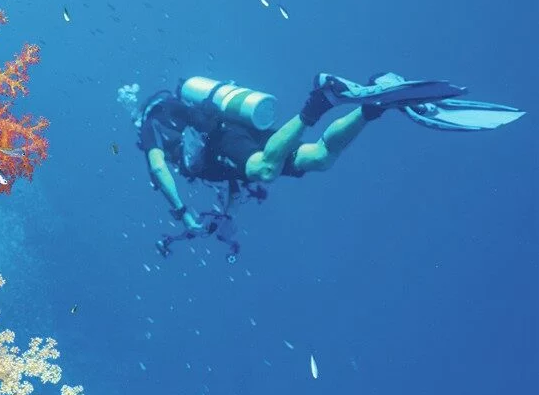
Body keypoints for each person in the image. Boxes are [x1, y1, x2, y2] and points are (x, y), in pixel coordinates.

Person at [137, 72, 524, 259]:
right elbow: (231, 178)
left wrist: (181, 211)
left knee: (263, 169)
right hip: (236, 132)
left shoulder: (151, 127)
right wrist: (228, 211)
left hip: (222, 143)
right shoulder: (185, 110)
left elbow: (159, 169)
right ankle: (371, 108)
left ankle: (317, 103)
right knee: (318, 158)